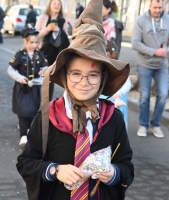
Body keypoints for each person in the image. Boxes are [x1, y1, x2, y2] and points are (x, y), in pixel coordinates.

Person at [16, 0, 134, 199]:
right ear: (64, 75)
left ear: (103, 78)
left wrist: (114, 174)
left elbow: (126, 166)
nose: (84, 82)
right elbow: (26, 161)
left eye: (93, 75)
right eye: (76, 74)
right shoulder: (48, 116)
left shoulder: (112, 118)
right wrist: (54, 170)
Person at [131, 0, 169, 138]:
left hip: (162, 66)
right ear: (149, 6)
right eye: (155, 7)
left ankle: (155, 124)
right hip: (144, 64)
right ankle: (143, 125)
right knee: (144, 95)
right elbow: (135, 43)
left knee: (163, 95)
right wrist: (154, 52)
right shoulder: (141, 20)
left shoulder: (168, 20)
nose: (158, 10)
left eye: (160, 7)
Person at [7, 26, 48, 147]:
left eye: (36, 42)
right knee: (23, 110)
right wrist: (20, 78)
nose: (35, 44)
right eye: (32, 42)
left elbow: (45, 69)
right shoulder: (20, 54)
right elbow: (10, 70)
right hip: (22, 88)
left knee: (33, 109)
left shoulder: (39, 55)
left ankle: (28, 129)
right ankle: (23, 135)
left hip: (34, 88)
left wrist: (42, 78)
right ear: (25, 41)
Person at [35, 0, 70, 100]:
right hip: (42, 52)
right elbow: (35, 36)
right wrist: (47, 29)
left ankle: (46, 105)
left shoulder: (62, 20)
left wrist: (59, 31)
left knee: (50, 80)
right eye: (54, 3)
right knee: (38, 78)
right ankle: (35, 101)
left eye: (59, 4)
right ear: (49, 5)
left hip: (55, 54)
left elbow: (66, 40)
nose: (57, 6)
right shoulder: (43, 18)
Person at [101, 40, 131, 130]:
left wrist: (119, 93)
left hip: (116, 98)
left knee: (117, 122)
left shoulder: (120, 67)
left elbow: (127, 84)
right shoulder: (98, 68)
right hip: (103, 99)